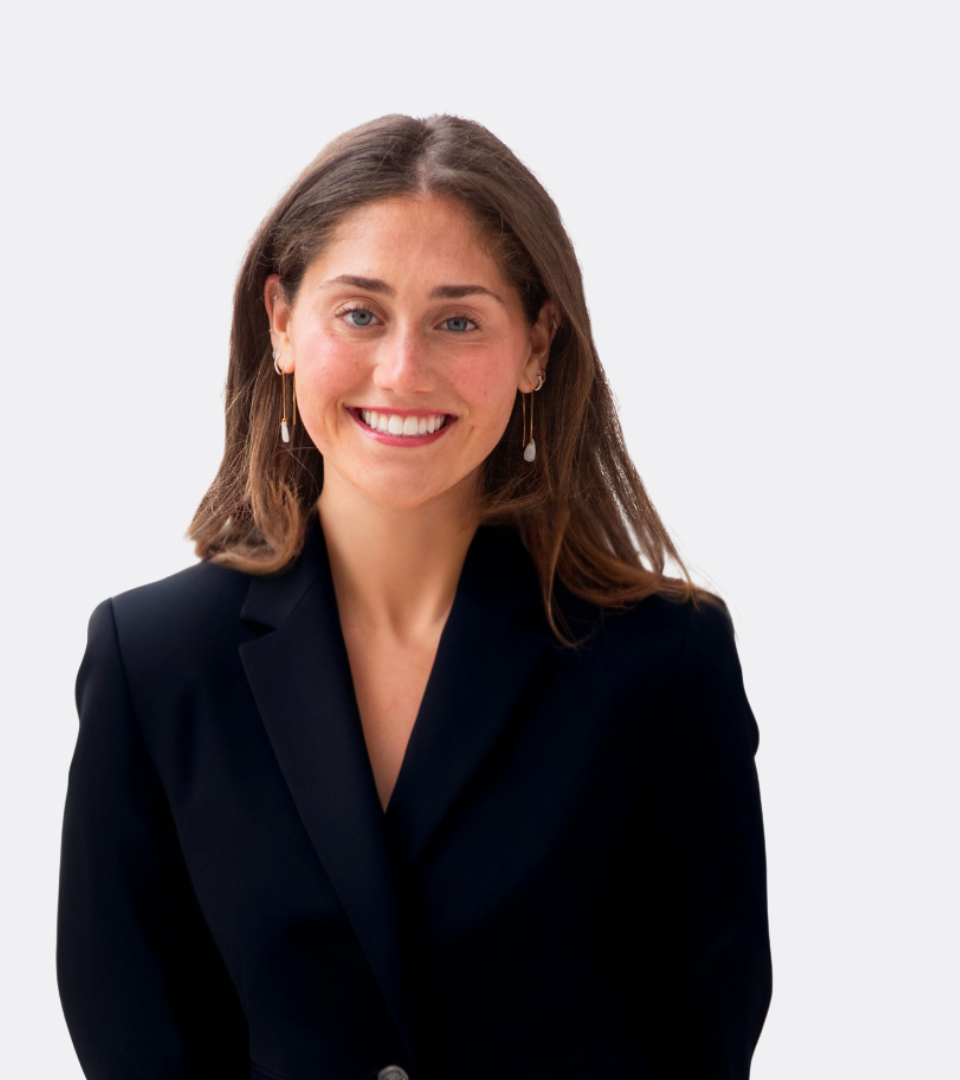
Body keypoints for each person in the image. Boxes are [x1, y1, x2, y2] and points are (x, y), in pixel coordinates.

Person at [57, 114, 771, 1080]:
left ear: (537, 345)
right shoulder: (153, 660)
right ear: (281, 324)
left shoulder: (663, 659)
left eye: (458, 319)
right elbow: (131, 1028)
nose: (402, 369)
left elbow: (705, 1034)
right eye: (360, 313)